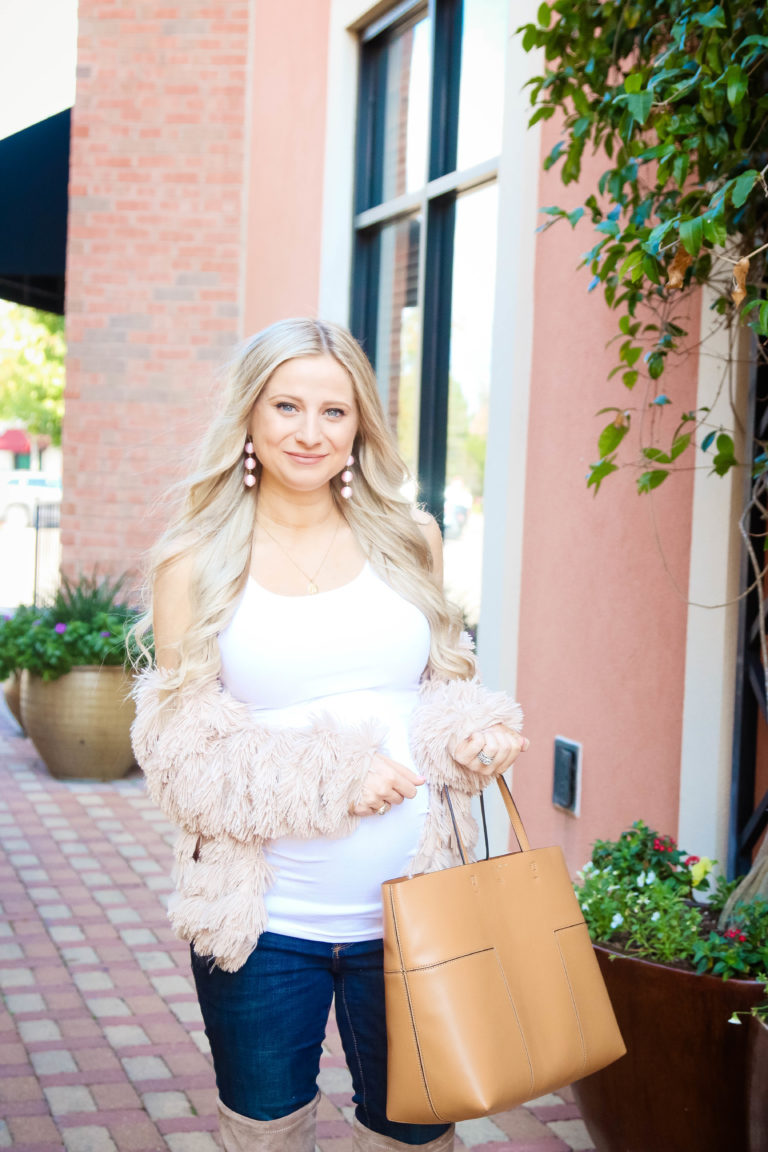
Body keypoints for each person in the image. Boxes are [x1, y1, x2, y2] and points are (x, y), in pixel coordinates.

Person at [130, 318, 529, 1152]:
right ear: (249, 415)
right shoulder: (194, 564)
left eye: (334, 412)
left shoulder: (410, 538)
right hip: (265, 923)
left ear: (360, 425)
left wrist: (474, 731)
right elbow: (179, 762)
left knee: (416, 1135)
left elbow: (440, 687)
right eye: (286, 406)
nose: (310, 432)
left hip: (421, 912)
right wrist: (334, 777)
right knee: (266, 1134)